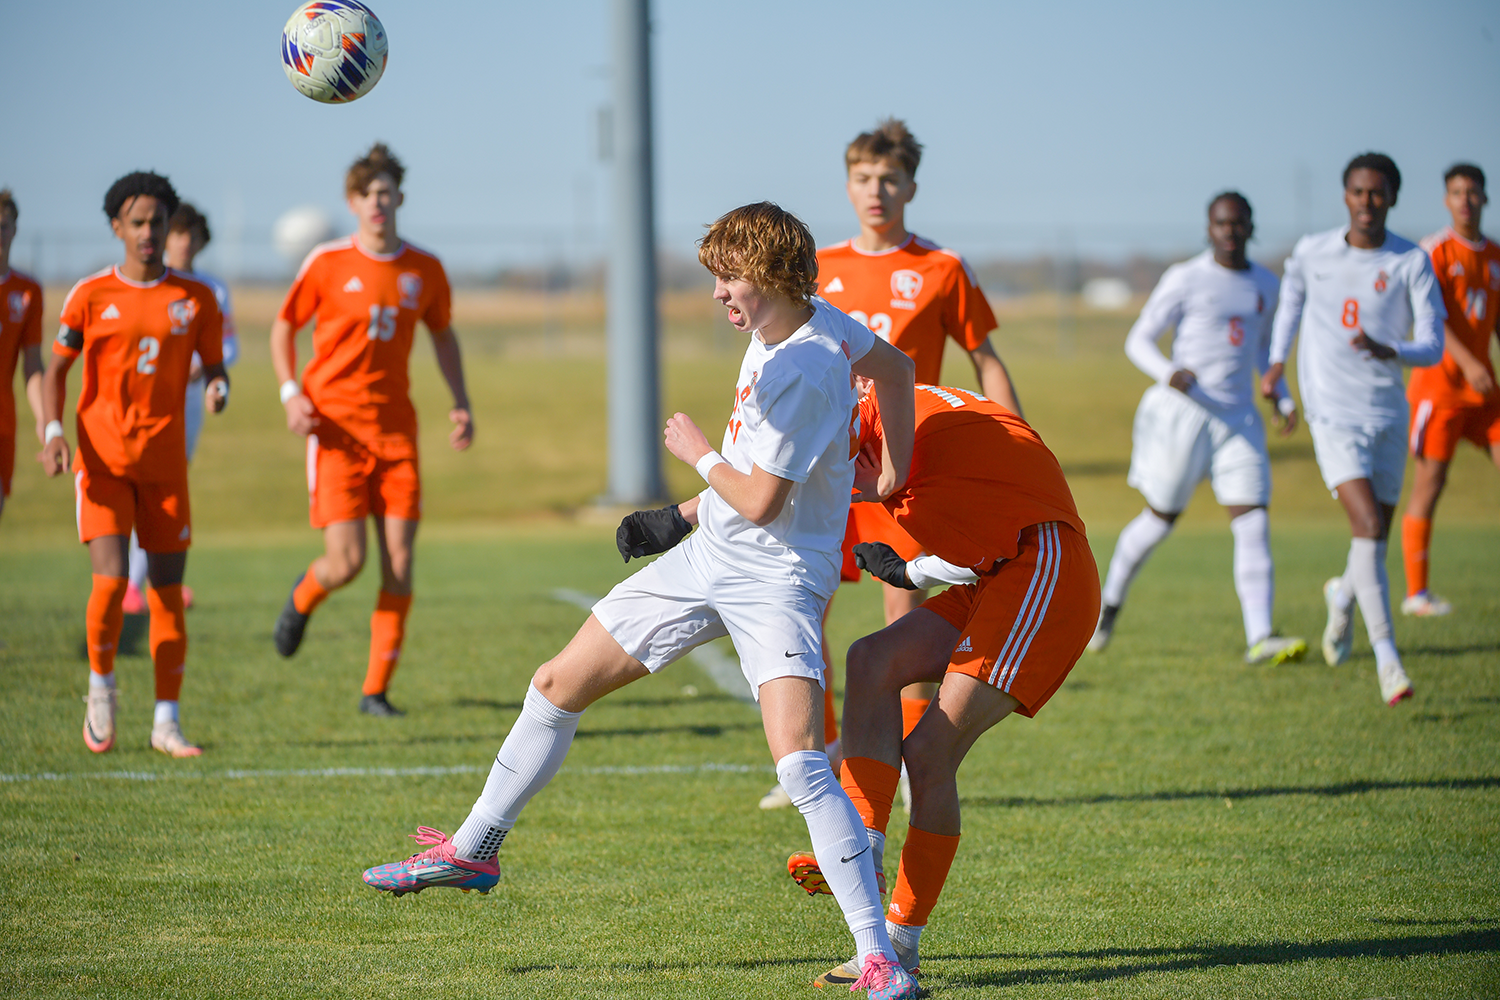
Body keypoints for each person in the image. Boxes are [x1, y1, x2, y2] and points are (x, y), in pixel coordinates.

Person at [361, 202, 923, 1000]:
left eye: (729, 279)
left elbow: (763, 500)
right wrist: (887, 473)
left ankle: (876, 958)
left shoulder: (805, 364)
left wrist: (696, 457)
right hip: (709, 557)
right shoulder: (814, 323)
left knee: (800, 763)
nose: (720, 294)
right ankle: (474, 847)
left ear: (767, 274)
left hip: (777, 583)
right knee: (557, 684)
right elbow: (896, 371)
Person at [784, 381, 1097, 986]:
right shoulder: (887, 411)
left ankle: (900, 943)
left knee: (929, 753)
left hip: (1043, 571)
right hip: (1005, 564)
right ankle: (863, 851)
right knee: (871, 660)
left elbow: (967, 539)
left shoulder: (906, 440)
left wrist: (910, 567)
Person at [760, 118, 1023, 811]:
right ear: (848, 185)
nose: (876, 191)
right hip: (825, 467)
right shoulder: (822, 271)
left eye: (890, 179)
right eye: (864, 179)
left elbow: (986, 361)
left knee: (903, 616)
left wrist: (1016, 436)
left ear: (910, 186)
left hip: (902, 470)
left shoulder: (942, 269)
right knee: (802, 611)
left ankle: (909, 764)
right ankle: (815, 762)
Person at [269, 143, 473, 717]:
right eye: (368, 193)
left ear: (399, 197)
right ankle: (304, 597)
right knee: (347, 562)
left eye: (387, 192)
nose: (378, 202)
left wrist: (461, 402)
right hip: (335, 435)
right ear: (352, 202)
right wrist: (291, 394)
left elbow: (443, 335)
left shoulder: (424, 269)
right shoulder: (327, 262)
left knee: (401, 564)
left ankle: (375, 691)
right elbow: (283, 328)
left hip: (396, 437)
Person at [40, 171, 228, 757]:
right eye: (139, 221)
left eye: (158, 222)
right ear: (117, 226)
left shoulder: (194, 299)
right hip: (102, 463)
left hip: (166, 466)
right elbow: (54, 372)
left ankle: (166, 722)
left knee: (167, 594)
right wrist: (52, 430)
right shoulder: (90, 293)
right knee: (112, 581)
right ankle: (101, 688)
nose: (150, 232)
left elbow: (215, 365)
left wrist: (219, 386)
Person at [1088, 192, 1307, 665]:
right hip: (1184, 415)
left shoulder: (1267, 285)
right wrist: (1168, 372)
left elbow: (1267, 352)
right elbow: (1138, 340)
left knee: (1253, 522)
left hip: (1240, 420)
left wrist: (1282, 395)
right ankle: (1106, 608)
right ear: (1209, 229)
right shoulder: (1186, 278)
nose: (1230, 231)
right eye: (1221, 224)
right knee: (1160, 519)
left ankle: (1261, 636)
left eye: (1238, 223)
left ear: (1251, 227)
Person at [1262, 152, 1444, 705]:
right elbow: (1290, 304)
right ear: (1346, 197)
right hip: (1331, 413)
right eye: (1359, 192)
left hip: (1389, 413)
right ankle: (1389, 661)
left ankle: (1342, 596)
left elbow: (1433, 346)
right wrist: (1275, 364)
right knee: (1366, 523)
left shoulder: (1411, 260)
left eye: (1378, 192)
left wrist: (1394, 349)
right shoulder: (1313, 252)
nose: (1368, 202)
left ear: (1392, 197)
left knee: (1373, 540)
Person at [121, 202, 241, 614]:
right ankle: (134, 584)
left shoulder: (212, 290)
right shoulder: (149, 285)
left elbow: (228, 347)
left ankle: (149, 582)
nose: (185, 242)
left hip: (185, 404)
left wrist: (210, 379)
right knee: (141, 486)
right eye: (179, 233)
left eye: (193, 235)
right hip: (142, 403)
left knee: (167, 485)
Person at [1401, 163, 1499, 615]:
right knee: (1430, 484)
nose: (1465, 199)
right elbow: (1432, 319)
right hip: (1438, 390)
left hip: (1484, 392)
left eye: (1473, 192)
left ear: (1484, 198)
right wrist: (1466, 361)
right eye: (1457, 192)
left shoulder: (1495, 256)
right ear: (1446, 199)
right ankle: (1416, 594)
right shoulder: (1434, 251)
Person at [0, 188, 45, 523]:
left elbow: (32, 364)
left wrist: (46, 418)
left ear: (15, 228)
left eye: (3, 225)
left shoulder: (27, 292)